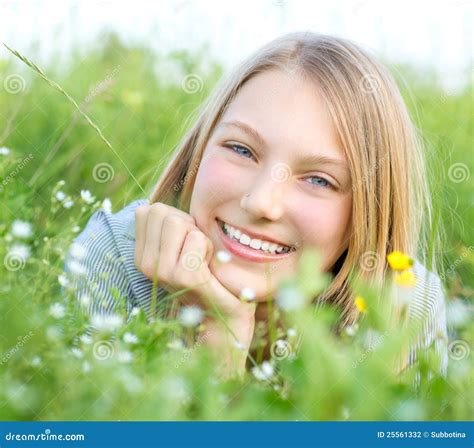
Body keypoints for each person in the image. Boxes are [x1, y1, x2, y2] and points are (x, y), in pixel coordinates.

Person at [65, 32, 448, 380]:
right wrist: (219, 335)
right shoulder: (118, 255)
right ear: (199, 150)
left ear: (368, 213)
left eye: (318, 179)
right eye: (241, 150)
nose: (262, 202)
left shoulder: (401, 307)